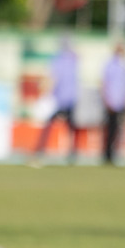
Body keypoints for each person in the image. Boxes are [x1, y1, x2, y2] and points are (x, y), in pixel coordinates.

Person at [31, 37, 80, 166]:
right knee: (69, 129)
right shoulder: (72, 60)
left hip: (60, 100)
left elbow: (52, 78)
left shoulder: (59, 59)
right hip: (67, 99)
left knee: (50, 128)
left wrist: (45, 92)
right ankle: (70, 155)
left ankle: (41, 152)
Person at [102, 44, 125, 165]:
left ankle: (115, 153)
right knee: (111, 129)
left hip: (120, 102)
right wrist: (107, 100)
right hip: (112, 102)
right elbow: (105, 83)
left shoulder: (124, 65)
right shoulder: (111, 65)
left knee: (118, 130)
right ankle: (107, 155)